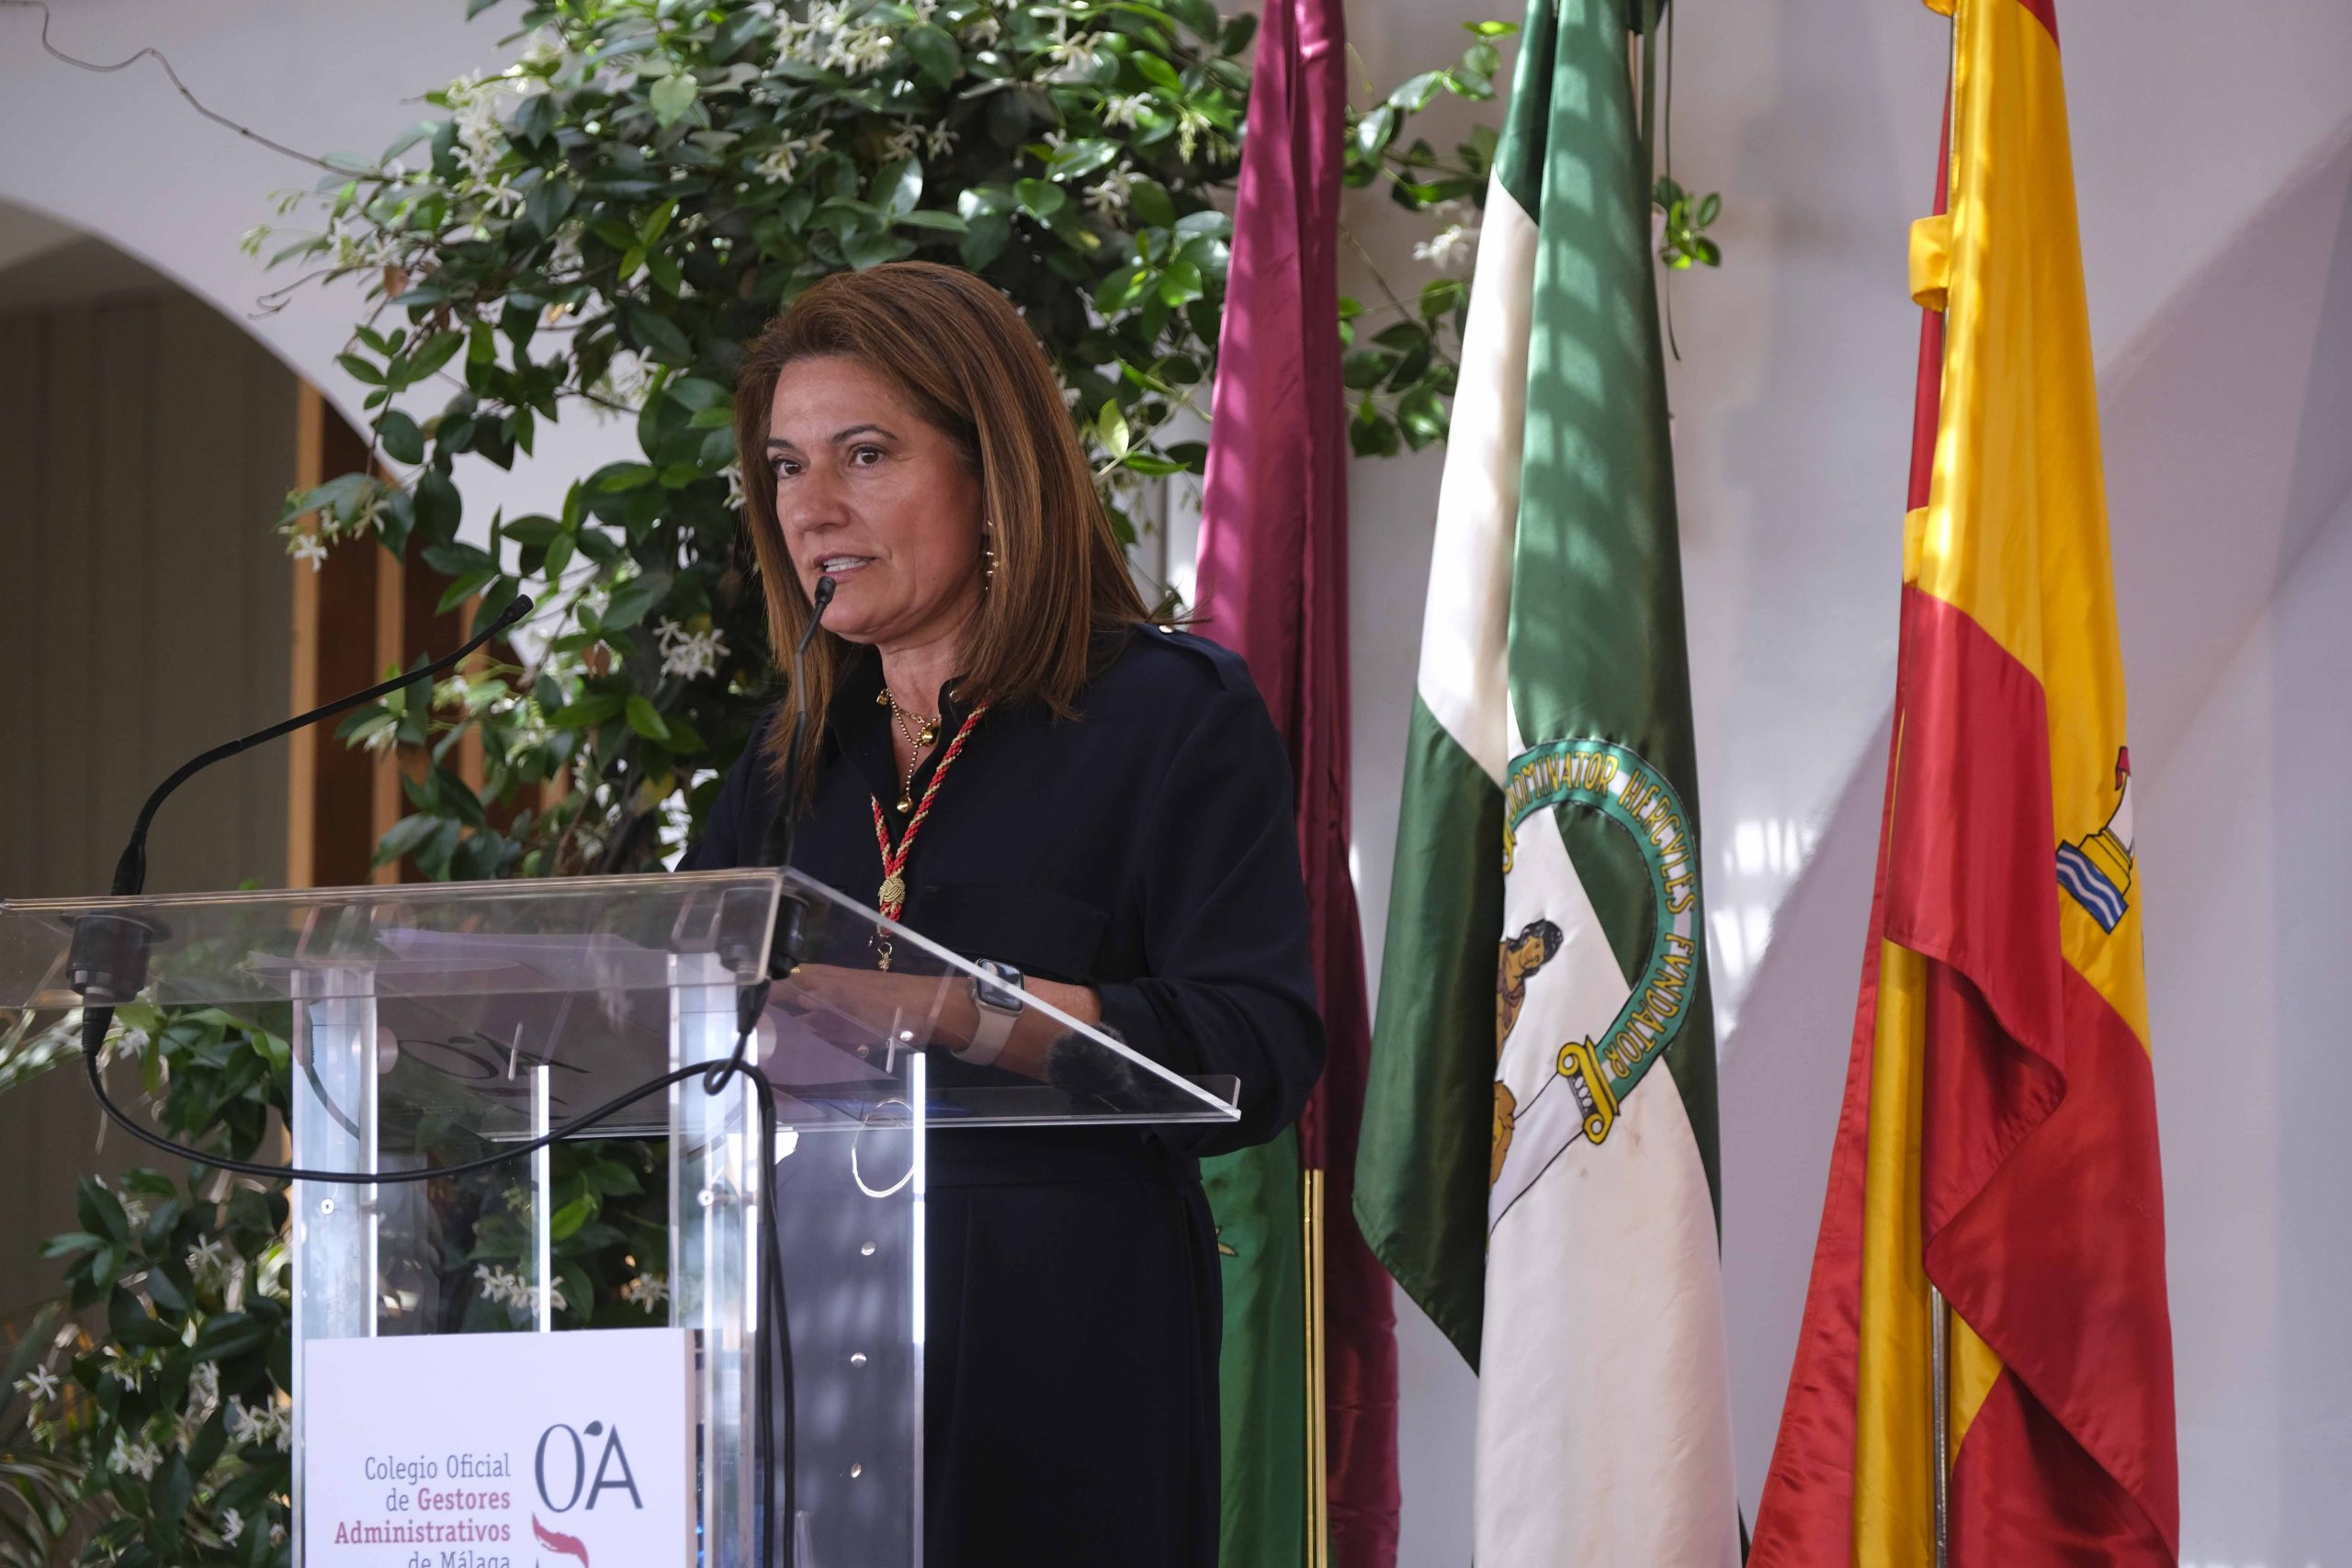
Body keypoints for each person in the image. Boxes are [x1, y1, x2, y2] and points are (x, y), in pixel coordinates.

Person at [681, 260, 1326, 1565]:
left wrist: (952, 1012)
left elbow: (1254, 1050)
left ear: (993, 475)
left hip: (1069, 1371)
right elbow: (682, 1015)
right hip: (810, 1355)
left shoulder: (1165, 717)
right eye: (787, 467)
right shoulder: (788, 758)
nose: (812, 507)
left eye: (865, 455)